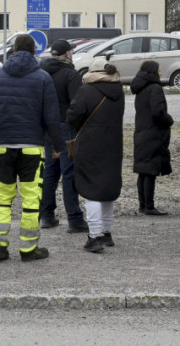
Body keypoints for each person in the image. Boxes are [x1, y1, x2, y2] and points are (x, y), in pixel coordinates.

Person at [0, 33, 65, 262]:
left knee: (2, 197)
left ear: (13, 50)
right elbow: (51, 116)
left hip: (3, 146)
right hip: (31, 147)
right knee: (30, 199)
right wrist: (58, 145)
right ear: (34, 52)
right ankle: (29, 248)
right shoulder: (42, 78)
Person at [66, 58, 125, 253]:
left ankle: (94, 236)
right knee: (107, 190)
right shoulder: (119, 91)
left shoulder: (87, 91)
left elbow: (72, 117)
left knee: (91, 190)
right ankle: (106, 233)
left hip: (91, 145)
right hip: (114, 145)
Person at [39, 39, 85, 233]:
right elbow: (77, 104)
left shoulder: (42, 73)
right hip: (66, 128)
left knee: (49, 172)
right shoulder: (70, 74)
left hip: (47, 127)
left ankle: (46, 216)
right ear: (67, 54)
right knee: (69, 173)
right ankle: (74, 219)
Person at [130, 60, 173, 216]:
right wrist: (169, 119)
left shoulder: (140, 88)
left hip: (141, 132)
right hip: (152, 134)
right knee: (150, 171)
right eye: (159, 70)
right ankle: (149, 206)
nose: (161, 72)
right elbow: (157, 112)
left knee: (143, 171)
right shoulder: (155, 88)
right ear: (153, 72)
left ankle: (143, 205)